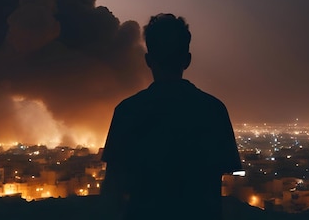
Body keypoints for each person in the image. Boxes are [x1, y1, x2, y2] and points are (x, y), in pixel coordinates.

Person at [101, 13, 241, 220]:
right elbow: (230, 187)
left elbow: (112, 192)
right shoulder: (213, 110)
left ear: (148, 60)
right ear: (187, 60)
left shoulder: (128, 111)